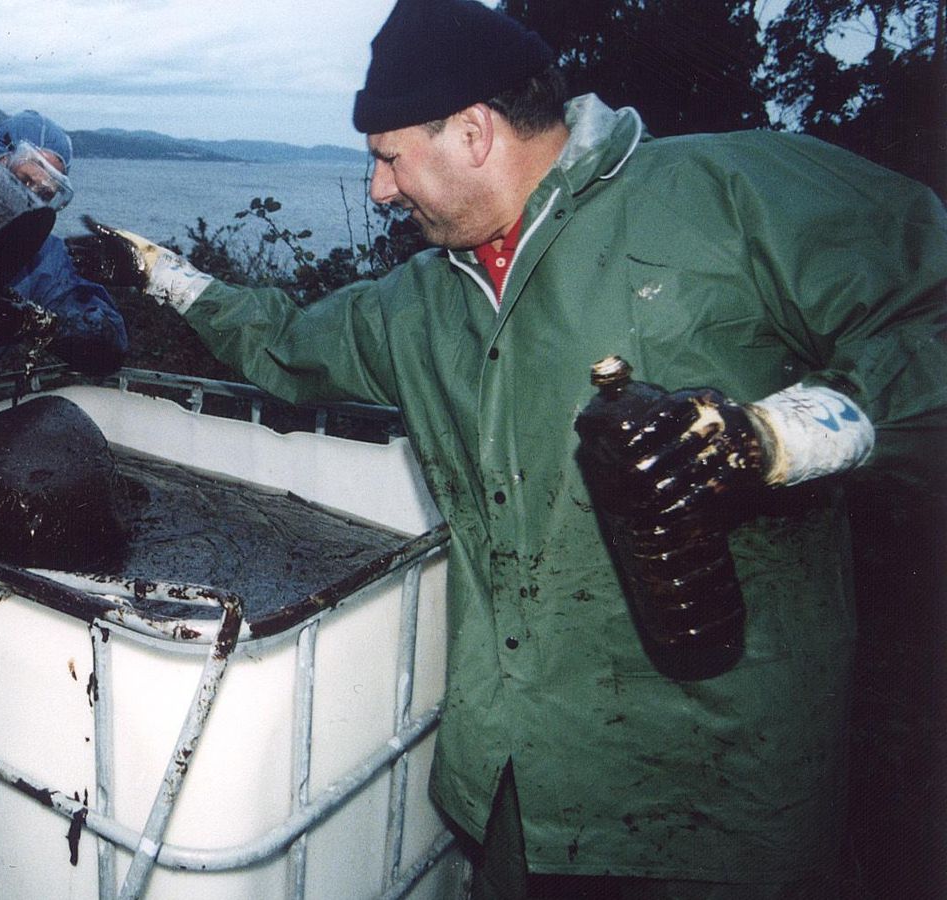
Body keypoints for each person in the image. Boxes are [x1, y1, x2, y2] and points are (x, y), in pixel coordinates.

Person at [64, 0, 947, 896]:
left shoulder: (731, 193)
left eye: (386, 158)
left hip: (718, 804)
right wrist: (164, 276)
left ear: (475, 132)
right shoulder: (417, 303)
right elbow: (290, 342)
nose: (378, 191)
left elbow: (930, 317)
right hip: (521, 795)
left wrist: (778, 437)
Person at [0, 110, 127, 388]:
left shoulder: (42, 259)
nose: (28, 198)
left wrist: (35, 322)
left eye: (45, 194)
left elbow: (110, 344)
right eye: (23, 179)